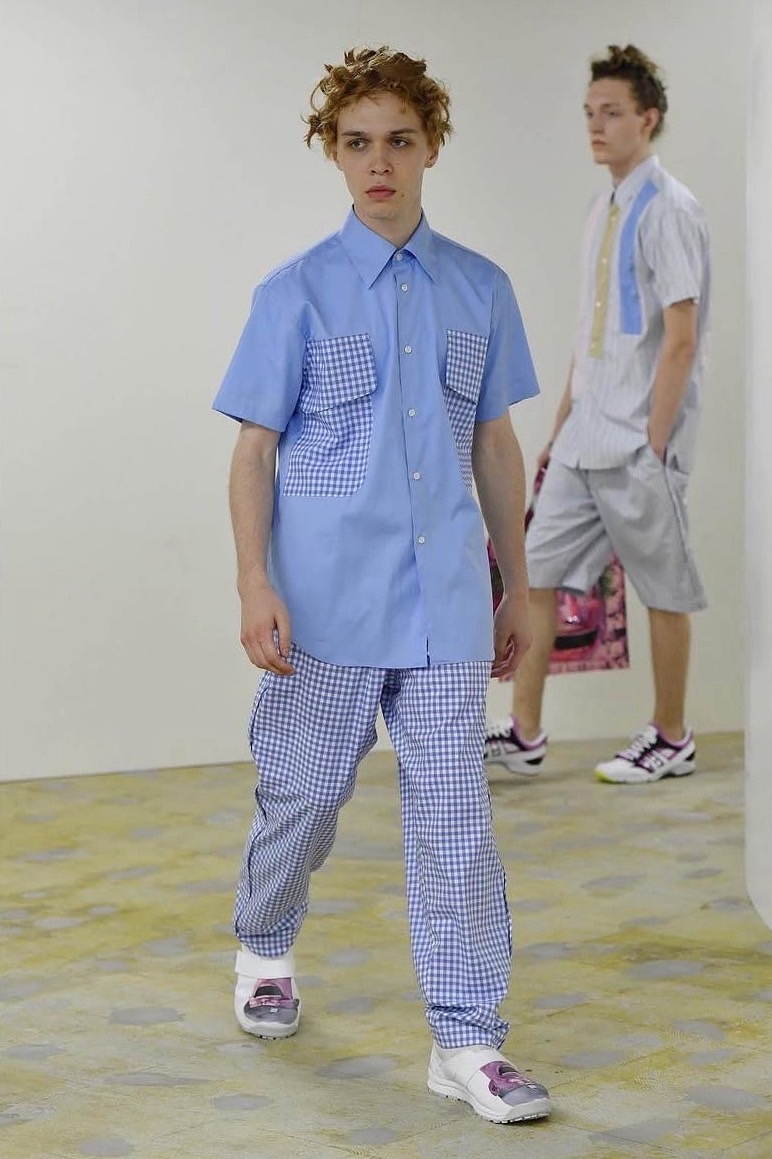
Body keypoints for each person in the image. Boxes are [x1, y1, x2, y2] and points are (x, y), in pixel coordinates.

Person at [212, 47, 550, 1123]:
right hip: (325, 605)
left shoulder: (481, 288)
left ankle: (467, 1037)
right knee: (305, 796)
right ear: (334, 153)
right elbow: (254, 451)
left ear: (431, 146)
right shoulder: (293, 294)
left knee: (455, 821)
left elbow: (493, 442)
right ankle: (265, 942)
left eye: (399, 140)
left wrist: (517, 583)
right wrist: (254, 582)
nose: (379, 163)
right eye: (357, 143)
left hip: (446, 602)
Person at [484, 44, 710, 786]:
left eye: (611, 112)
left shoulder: (671, 208)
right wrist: (560, 428)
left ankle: (672, 737)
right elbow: (592, 333)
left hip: (639, 442)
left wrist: (654, 442)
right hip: (584, 437)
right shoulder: (601, 209)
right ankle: (524, 733)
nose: (596, 125)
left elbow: (681, 336)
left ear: (649, 119)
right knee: (535, 573)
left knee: (664, 590)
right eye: (589, 112)